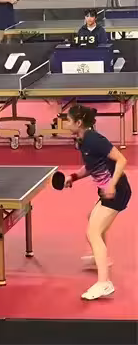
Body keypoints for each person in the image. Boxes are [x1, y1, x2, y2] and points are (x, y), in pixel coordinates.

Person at [63, 105, 131, 300]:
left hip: (116, 191)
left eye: (68, 120)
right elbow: (91, 166)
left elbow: (121, 160)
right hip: (108, 191)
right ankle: (100, 257)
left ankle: (104, 283)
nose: (66, 124)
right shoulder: (83, 141)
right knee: (92, 219)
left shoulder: (95, 140)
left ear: (78, 123)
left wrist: (111, 185)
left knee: (93, 232)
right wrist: (74, 177)